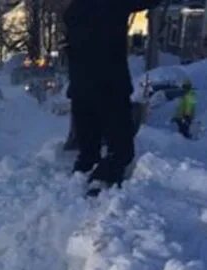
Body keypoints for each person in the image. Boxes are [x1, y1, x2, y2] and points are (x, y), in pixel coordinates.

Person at [64, 0, 162, 195]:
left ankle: (78, 184)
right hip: (110, 88)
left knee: (88, 152)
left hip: (81, 90)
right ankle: (100, 184)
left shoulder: (74, 10)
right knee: (122, 151)